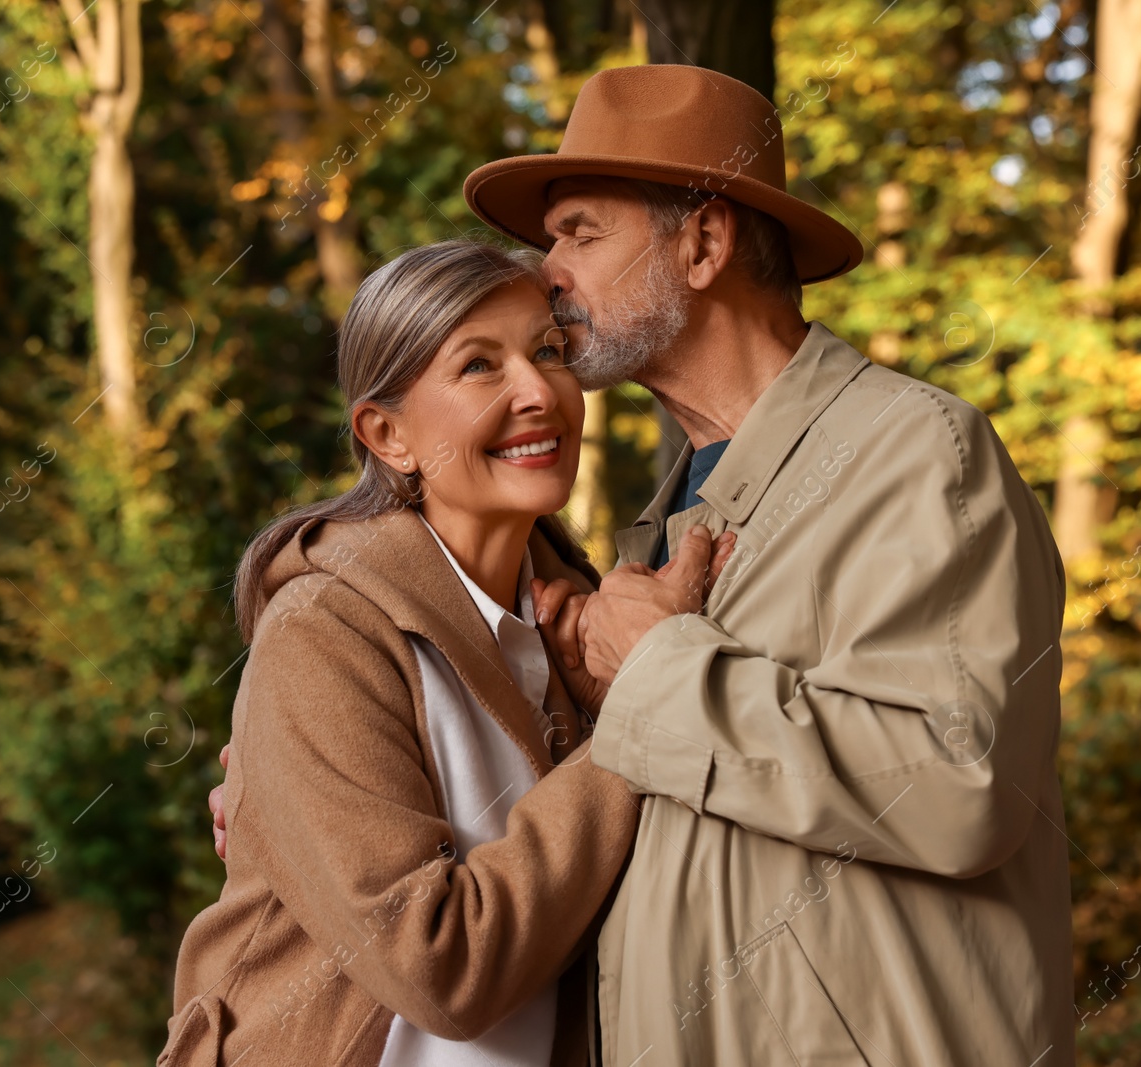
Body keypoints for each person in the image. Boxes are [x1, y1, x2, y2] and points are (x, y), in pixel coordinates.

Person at [461, 64, 1075, 1063]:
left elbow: (956, 782)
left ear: (703, 243)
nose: (545, 271)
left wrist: (656, 668)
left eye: (579, 231)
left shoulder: (913, 453)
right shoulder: (660, 520)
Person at [160, 239, 731, 1066]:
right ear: (387, 433)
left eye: (549, 352)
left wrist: (620, 691)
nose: (540, 391)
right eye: (478, 366)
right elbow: (441, 969)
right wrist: (645, 711)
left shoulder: (579, 630)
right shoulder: (323, 635)